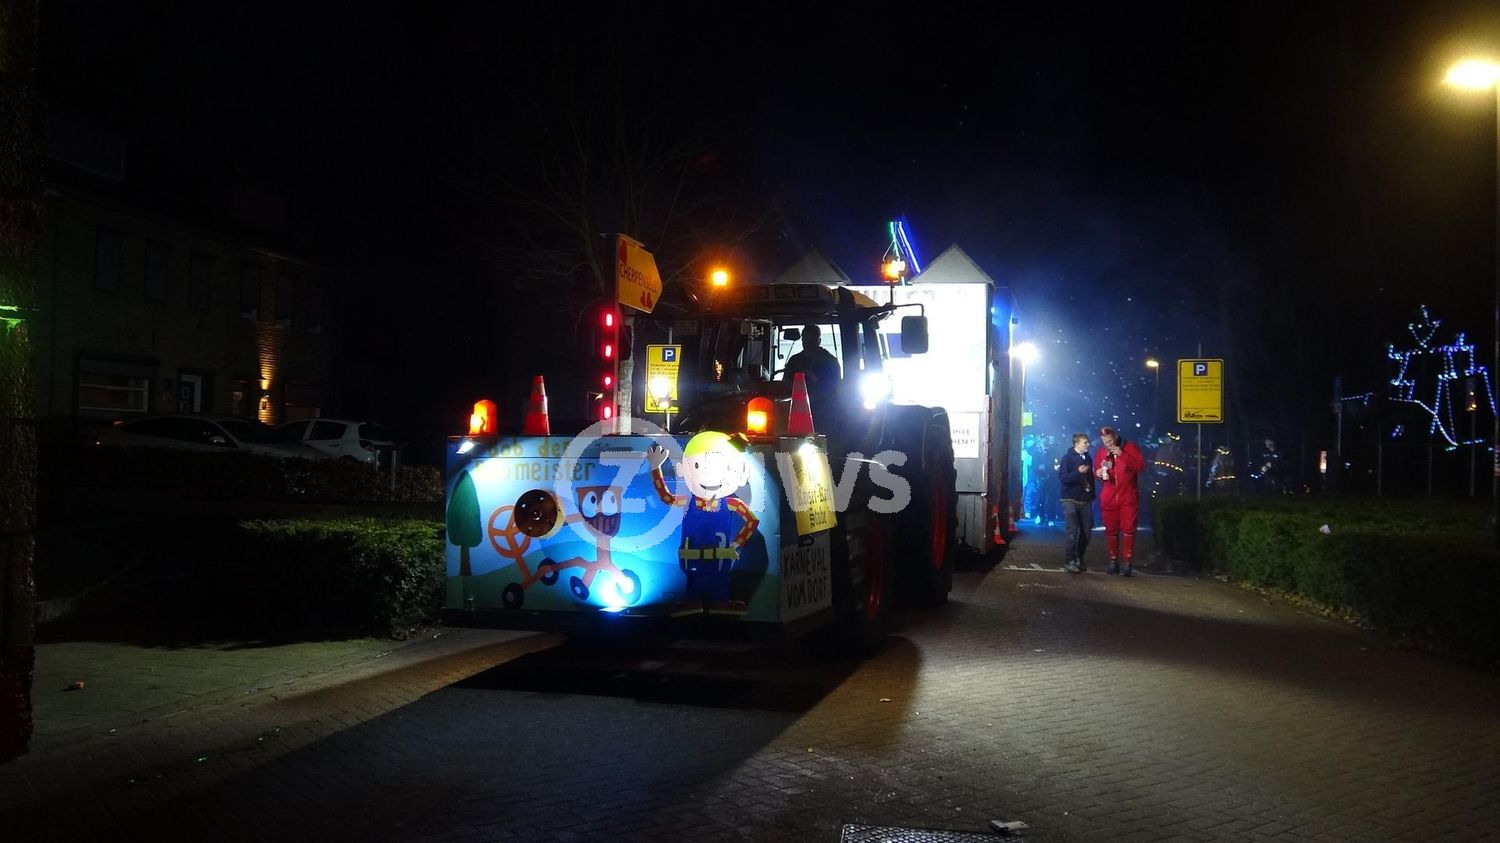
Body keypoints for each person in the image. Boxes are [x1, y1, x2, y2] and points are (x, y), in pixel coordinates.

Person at [1094, 425, 1146, 576]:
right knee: (1111, 530)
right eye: (1105, 442)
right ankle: (1113, 561)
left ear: (1115, 437)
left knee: (1129, 529)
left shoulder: (1130, 448)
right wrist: (1097, 473)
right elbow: (1096, 472)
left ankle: (1127, 562)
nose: (1108, 444)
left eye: (1110, 440)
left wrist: (1122, 454)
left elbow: (1140, 466)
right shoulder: (1101, 452)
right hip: (1109, 497)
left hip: (1127, 496)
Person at [784, 324, 842, 417]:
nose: (808, 344)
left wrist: (815, 379)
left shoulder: (829, 361)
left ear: (819, 341)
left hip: (823, 410)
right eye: (806, 340)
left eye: (812, 341)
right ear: (802, 340)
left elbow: (834, 388)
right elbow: (785, 384)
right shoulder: (794, 360)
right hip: (796, 408)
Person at [1057, 432, 1094, 573]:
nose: (1088, 444)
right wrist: (1077, 472)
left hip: (1085, 500)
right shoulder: (1067, 458)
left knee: (1086, 532)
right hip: (1070, 499)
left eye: (1088, 442)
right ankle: (1069, 561)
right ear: (1076, 444)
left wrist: (1091, 494)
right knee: (1072, 531)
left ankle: (1079, 557)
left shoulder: (1088, 458)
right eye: (1085, 442)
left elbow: (1090, 478)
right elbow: (1063, 478)